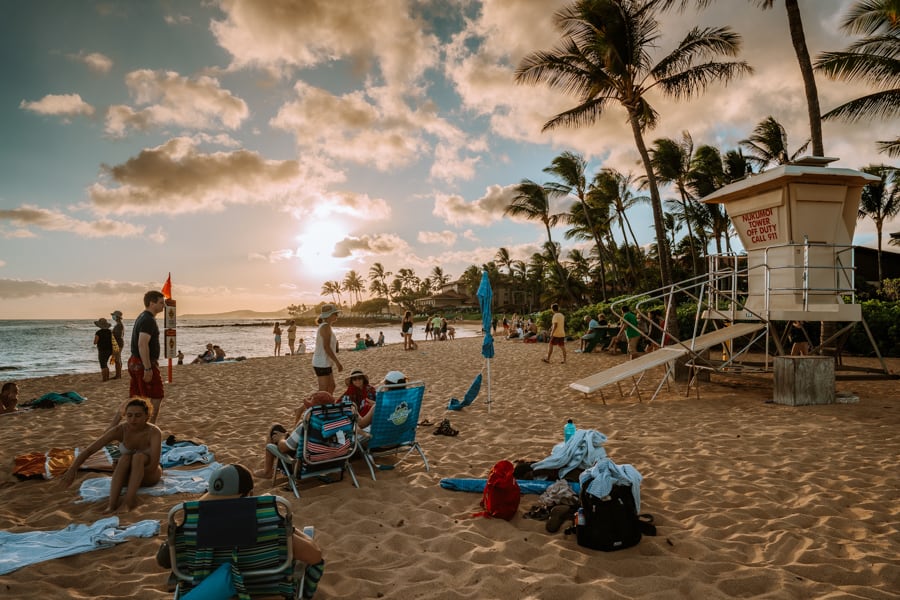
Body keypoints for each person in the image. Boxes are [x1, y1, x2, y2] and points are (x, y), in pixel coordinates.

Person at [164, 464, 324, 599]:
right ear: (250, 495)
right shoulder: (268, 524)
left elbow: (163, 560)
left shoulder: (191, 529)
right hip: (266, 593)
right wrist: (288, 528)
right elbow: (315, 555)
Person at [59, 398, 162, 512]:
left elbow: (153, 466)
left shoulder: (153, 432)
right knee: (125, 458)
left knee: (138, 457)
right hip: (127, 479)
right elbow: (90, 450)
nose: (133, 419)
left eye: (138, 415)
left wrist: (135, 470)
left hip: (150, 476)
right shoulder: (120, 430)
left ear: (146, 416)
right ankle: (111, 505)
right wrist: (73, 469)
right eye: (129, 415)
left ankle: (128, 502)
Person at [256, 391, 337, 479]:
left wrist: (281, 438)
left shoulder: (307, 426)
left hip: (304, 467)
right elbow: (341, 444)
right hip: (331, 464)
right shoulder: (338, 425)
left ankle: (267, 472)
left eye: (308, 408)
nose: (306, 409)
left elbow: (283, 448)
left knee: (275, 428)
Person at [125, 290, 166, 425]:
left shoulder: (142, 317)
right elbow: (142, 344)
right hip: (142, 363)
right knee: (156, 396)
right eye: (161, 302)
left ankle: (134, 428)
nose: (163, 305)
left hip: (135, 361)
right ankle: (148, 429)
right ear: (151, 303)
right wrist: (148, 368)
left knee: (137, 398)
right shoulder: (148, 319)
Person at [312, 304, 343, 394]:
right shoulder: (325, 327)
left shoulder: (327, 326)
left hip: (325, 362)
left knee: (332, 386)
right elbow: (326, 347)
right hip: (321, 362)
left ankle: (325, 404)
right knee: (323, 390)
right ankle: (302, 408)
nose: (337, 316)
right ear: (329, 315)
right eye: (335, 314)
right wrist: (337, 362)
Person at [93, 317, 114, 382]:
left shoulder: (98, 332)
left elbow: (95, 342)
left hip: (102, 350)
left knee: (103, 364)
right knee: (105, 363)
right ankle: (107, 377)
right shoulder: (110, 332)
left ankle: (104, 379)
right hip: (110, 350)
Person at [110, 310, 125, 379]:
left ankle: (118, 375)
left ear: (117, 317)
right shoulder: (119, 325)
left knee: (117, 359)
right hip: (119, 343)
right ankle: (118, 374)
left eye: (114, 316)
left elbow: (118, 335)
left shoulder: (119, 325)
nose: (113, 317)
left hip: (118, 343)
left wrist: (111, 334)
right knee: (118, 358)